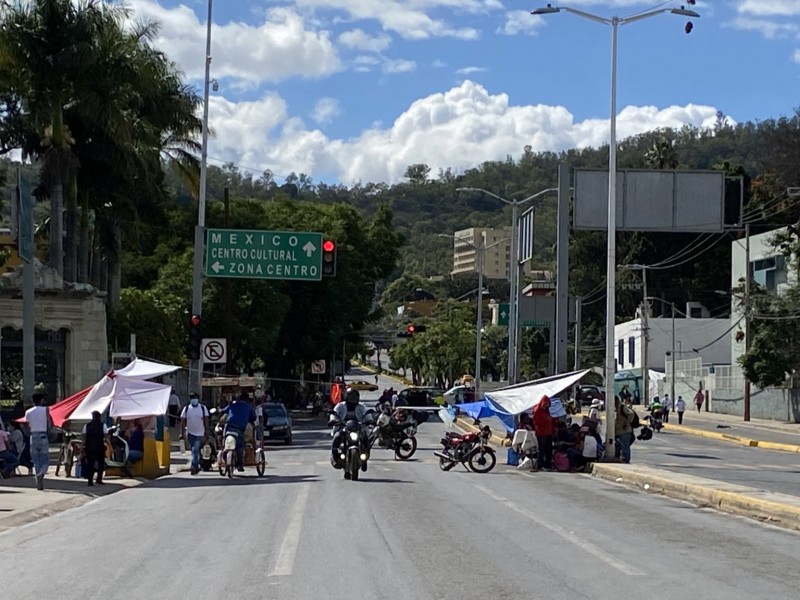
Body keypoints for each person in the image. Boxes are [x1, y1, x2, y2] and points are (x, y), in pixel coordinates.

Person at [330, 388, 366, 469]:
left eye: (355, 396)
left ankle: (365, 459)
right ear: (346, 396)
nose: (353, 398)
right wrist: (333, 420)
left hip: (358, 428)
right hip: (343, 427)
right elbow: (334, 413)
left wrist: (370, 420)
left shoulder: (361, 406)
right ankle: (335, 457)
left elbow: (366, 414)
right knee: (337, 437)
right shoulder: (340, 406)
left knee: (365, 438)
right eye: (351, 396)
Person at [222, 392, 257, 472]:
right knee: (240, 446)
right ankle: (239, 465)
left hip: (229, 427)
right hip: (240, 429)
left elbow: (224, 411)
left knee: (224, 440)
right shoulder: (249, 407)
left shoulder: (231, 406)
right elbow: (253, 418)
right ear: (247, 400)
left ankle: (224, 451)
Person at [25, 393, 51, 490]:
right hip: (43, 435)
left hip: (33, 436)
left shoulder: (28, 412)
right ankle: (41, 474)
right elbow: (49, 422)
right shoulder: (46, 410)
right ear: (41, 400)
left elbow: (27, 424)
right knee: (45, 459)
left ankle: (39, 483)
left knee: (36, 461)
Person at [180, 393, 209, 476]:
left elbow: (206, 420)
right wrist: (181, 433)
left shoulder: (203, 408)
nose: (194, 400)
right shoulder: (186, 409)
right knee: (194, 450)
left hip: (200, 433)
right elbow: (182, 421)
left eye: (195, 398)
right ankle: (197, 465)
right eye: (192, 398)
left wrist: (207, 432)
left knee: (195, 450)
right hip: (189, 433)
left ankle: (194, 466)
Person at [84, 411, 107, 486]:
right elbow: (106, 436)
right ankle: (99, 479)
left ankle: (90, 481)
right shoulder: (103, 425)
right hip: (99, 446)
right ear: (100, 416)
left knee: (90, 463)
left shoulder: (87, 425)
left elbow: (84, 436)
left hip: (89, 447)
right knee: (100, 463)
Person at [533, 396, 556, 471]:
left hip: (548, 432)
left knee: (549, 449)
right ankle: (540, 465)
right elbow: (536, 422)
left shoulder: (547, 411)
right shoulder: (537, 411)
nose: (546, 406)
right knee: (542, 449)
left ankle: (547, 465)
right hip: (541, 433)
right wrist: (546, 420)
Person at [614, 396, 635, 463]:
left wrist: (627, 423)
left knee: (625, 447)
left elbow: (631, 414)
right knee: (619, 447)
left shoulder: (622, 407)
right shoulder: (616, 408)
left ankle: (626, 460)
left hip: (624, 431)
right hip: (618, 431)